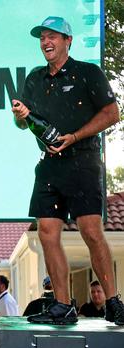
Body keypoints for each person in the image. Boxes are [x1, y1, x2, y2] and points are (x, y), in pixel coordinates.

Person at [11, 16, 124, 325]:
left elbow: (112, 113)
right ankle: (63, 305)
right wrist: (21, 115)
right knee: (47, 232)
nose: (46, 42)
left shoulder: (88, 73)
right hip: (49, 166)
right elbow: (24, 122)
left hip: (83, 160)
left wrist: (74, 137)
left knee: (90, 230)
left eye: (53, 37)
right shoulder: (34, 78)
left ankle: (113, 302)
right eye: (42, 37)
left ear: (68, 41)